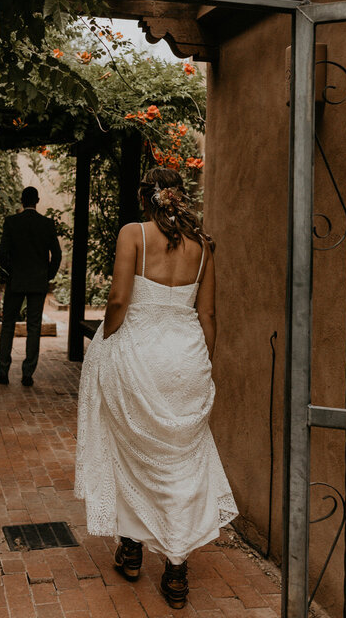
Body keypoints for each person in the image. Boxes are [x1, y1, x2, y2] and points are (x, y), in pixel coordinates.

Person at [74, 168, 236, 610]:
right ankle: (177, 570)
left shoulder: (133, 234)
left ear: (146, 198)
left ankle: (130, 551)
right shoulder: (203, 246)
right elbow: (209, 316)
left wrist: (106, 343)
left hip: (137, 353)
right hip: (185, 358)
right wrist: (202, 364)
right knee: (180, 464)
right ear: (177, 198)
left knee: (130, 452)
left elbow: (119, 301)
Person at [0, 186, 61, 387]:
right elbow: (56, 255)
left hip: (16, 282)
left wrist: (11, 271)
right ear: (37, 200)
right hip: (38, 282)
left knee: (8, 326)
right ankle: (28, 374)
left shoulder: (12, 223)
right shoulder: (47, 224)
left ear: (22, 201)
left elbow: (1, 255)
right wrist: (47, 275)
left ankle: (3, 372)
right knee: (34, 328)